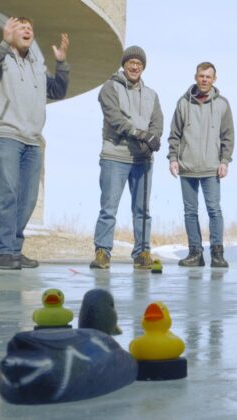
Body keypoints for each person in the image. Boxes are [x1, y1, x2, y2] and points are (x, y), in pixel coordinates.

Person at [0, 17, 69, 270]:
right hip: (5, 133)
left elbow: (57, 91)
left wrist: (62, 63)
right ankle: (3, 252)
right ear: (11, 33)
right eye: (22, 27)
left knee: (28, 198)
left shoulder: (37, 66)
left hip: (32, 139)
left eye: (30, 28)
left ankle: (13, 249)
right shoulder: (0, 57)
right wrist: (3, 43)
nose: (27, 30)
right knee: (8, 192)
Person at [90, 46, 163, 270]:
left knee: (142, 210)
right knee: (109, 207)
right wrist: (141, 135)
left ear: (143, 68)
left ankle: (142, 253)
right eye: (131, 62)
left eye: (139, 64)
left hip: (143, 159)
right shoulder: (109, 87)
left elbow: (157, 123)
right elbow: (115, 119)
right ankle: (103, 251)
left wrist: (152, 139)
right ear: (124, 64)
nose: (134, 66)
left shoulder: (151, 94)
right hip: (115, 155)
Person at [168, 62, 234, 268]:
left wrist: (224, 161)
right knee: (190, 211)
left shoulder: (222, 104)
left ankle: (217, 253)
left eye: (208, 76)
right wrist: (172, 159)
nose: (204, 79)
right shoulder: (183, 103)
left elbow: (228, 137)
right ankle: (195, 252)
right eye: (201, 76)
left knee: (214, 210)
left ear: (214, 79)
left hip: (211, 168)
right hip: (187, 167)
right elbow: (174, 135)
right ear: (196, 77)